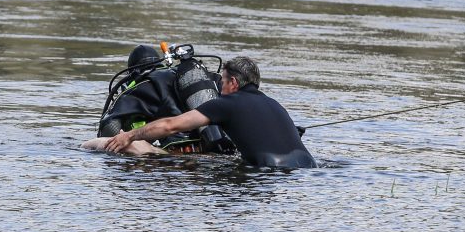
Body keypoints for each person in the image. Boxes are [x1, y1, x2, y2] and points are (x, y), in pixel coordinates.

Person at [103, 56, 316, 168]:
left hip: (268, 173)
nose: (219, 88)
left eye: (221, 81)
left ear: (233, 82)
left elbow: (170, 125)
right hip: (308, 168)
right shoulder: (276, 105)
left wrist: (129, 135)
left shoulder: (225, 104)